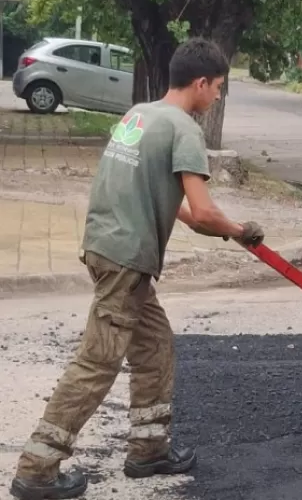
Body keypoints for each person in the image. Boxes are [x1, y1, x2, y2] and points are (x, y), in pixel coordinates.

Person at [9, 37, 265, 500]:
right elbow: (204, 212)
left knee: (154, 347)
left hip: (105, 247)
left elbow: (179, 207)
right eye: (220, 87)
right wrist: (240, 229)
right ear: (202, 83)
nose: (219, 96)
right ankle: (37, 470)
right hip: (127, 259)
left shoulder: (140, 114)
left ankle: (148, 450)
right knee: (97, 363)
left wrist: (226, 226)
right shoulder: (184, 128)